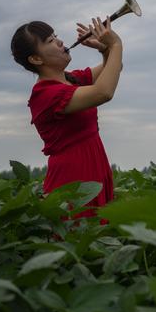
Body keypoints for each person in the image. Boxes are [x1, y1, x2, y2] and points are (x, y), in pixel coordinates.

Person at [10, 16, 122, 220]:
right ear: (36, 59)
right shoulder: (45, 94)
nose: (60, 42)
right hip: (73, 181)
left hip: (94, 171)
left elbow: (114, 68)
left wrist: (104, 49)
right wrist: (114, 44)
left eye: (56, 37)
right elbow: (103, 92)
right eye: (50, 41)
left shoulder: (72, 79)